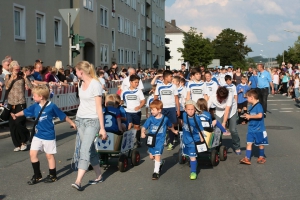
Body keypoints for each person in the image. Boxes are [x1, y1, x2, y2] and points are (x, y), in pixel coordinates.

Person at [11, 84, 76, 184]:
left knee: (49, 155)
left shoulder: (52, 106)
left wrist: (72, 123)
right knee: (32, 154)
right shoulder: (35, 106)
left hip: (49, 135)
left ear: (41, 96)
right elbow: (25, 112)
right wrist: (16, 115)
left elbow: (62, 115)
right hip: (38, 134)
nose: (33, 97)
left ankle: (53, 175)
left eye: (34, 95)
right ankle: (37, 175)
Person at [72, 61, 107, 191]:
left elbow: (99, 107)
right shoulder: (80, 83)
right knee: (90, 148)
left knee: (84, 149)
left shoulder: (96, 84)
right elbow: (82, 102)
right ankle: (99, 175)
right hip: (80, 119)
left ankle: (78, 181)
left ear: (82, 71)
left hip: (92, 120)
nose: (75, 73)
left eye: (76, 71)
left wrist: (102, 128)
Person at [141, 100, 177, 180]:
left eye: (153, 110)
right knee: (151, 157)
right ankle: (160, 163)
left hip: (160, 140)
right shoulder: (150, 119)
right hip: (151, 139)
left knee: (157, 155)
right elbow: (144, 127)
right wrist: (142, 133)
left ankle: (156, 172)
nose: (151, 111)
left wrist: (174, 131)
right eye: (151, 110)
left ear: (159, 110)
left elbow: (170, 126)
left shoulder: (165, 119)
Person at [3, 61, 33, 151]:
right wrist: (13, 77)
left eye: (18, 68)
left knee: (19, 122)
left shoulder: (22, 77)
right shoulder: (8, 76)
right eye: (15, 68)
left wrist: (25, 78)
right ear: (12, 69)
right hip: (11, 104)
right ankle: (17, 144)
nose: (17, 70)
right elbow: (7, 87)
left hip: (21, 103)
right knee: (12, 125)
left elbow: (30, 87)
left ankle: (24, 141)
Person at [207, 87, 241, 155]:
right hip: (219, 111)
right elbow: (207, 107)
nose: (221, 100)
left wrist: (224, 123)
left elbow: (227, 110)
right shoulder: (213, 95)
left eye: (223, 99)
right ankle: (218, 146)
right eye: (219, 98)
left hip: (231, 111)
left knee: (233, 130)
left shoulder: (230, 96)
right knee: (218, 130)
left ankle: (237, 146)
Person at [239, 89, 268, 165]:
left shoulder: (259, 106)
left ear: (252, 97)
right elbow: (251, 116)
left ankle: (261, 156)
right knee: (249, 143)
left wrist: (250, 116)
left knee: (260, 144)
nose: (246, 99)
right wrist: (246, 118)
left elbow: (260, 115)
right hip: (251, 128)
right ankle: (247, 158)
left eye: (247, 97)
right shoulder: (251, 106)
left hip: (259, 129)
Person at [154, 70, 180, 150]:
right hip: (162, 108)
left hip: (172, 108)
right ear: (165, 77)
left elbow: (176, 98)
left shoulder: (173, 86)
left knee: (171, 125)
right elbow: (156, 98)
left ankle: (171, 143)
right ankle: (163, 140)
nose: (172, 78)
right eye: (170, 76)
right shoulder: (159, 85)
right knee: (162, 125)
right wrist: (156, 108)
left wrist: (178, 109)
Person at [182, 100, 204, 180]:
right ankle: (194, 163)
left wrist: (201, 138)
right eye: (188, 109)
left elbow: (200, 129)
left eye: (192, 109)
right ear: (185, 109)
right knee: (187, 154)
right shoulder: (184, 115)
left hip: (193, 140)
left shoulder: (197, 119)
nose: (190, 111)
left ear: (195, 109)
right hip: (185, 139)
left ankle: (193, 172)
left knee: (192, 156)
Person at [121, 75, 145, 147]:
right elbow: (121, 101)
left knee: (137, 127)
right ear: (130, 82)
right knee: (128, 126)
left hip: (136, 112)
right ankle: (126, 141)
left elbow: (143, 101)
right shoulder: (125, 91)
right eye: (135, 82)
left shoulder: (139, 91)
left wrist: (139, 106)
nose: (137, 84)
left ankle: (138, 140)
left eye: (138, 82)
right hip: (127, 111)